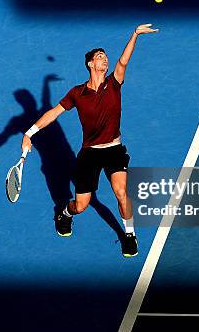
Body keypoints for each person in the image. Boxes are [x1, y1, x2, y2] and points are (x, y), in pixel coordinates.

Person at [21, 24, 158, 257]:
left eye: (106, 57)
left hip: (114, 149)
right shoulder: (77, 93)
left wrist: (134, 35)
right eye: (100, 57)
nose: (105, 60)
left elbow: (123, 62)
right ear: (90, 64)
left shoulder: (114, 83)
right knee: (81, 206)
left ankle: (129, 234)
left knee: (121, 192)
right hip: (90, 153)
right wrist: (29, 133)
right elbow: (53, 112)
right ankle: (64, 212)